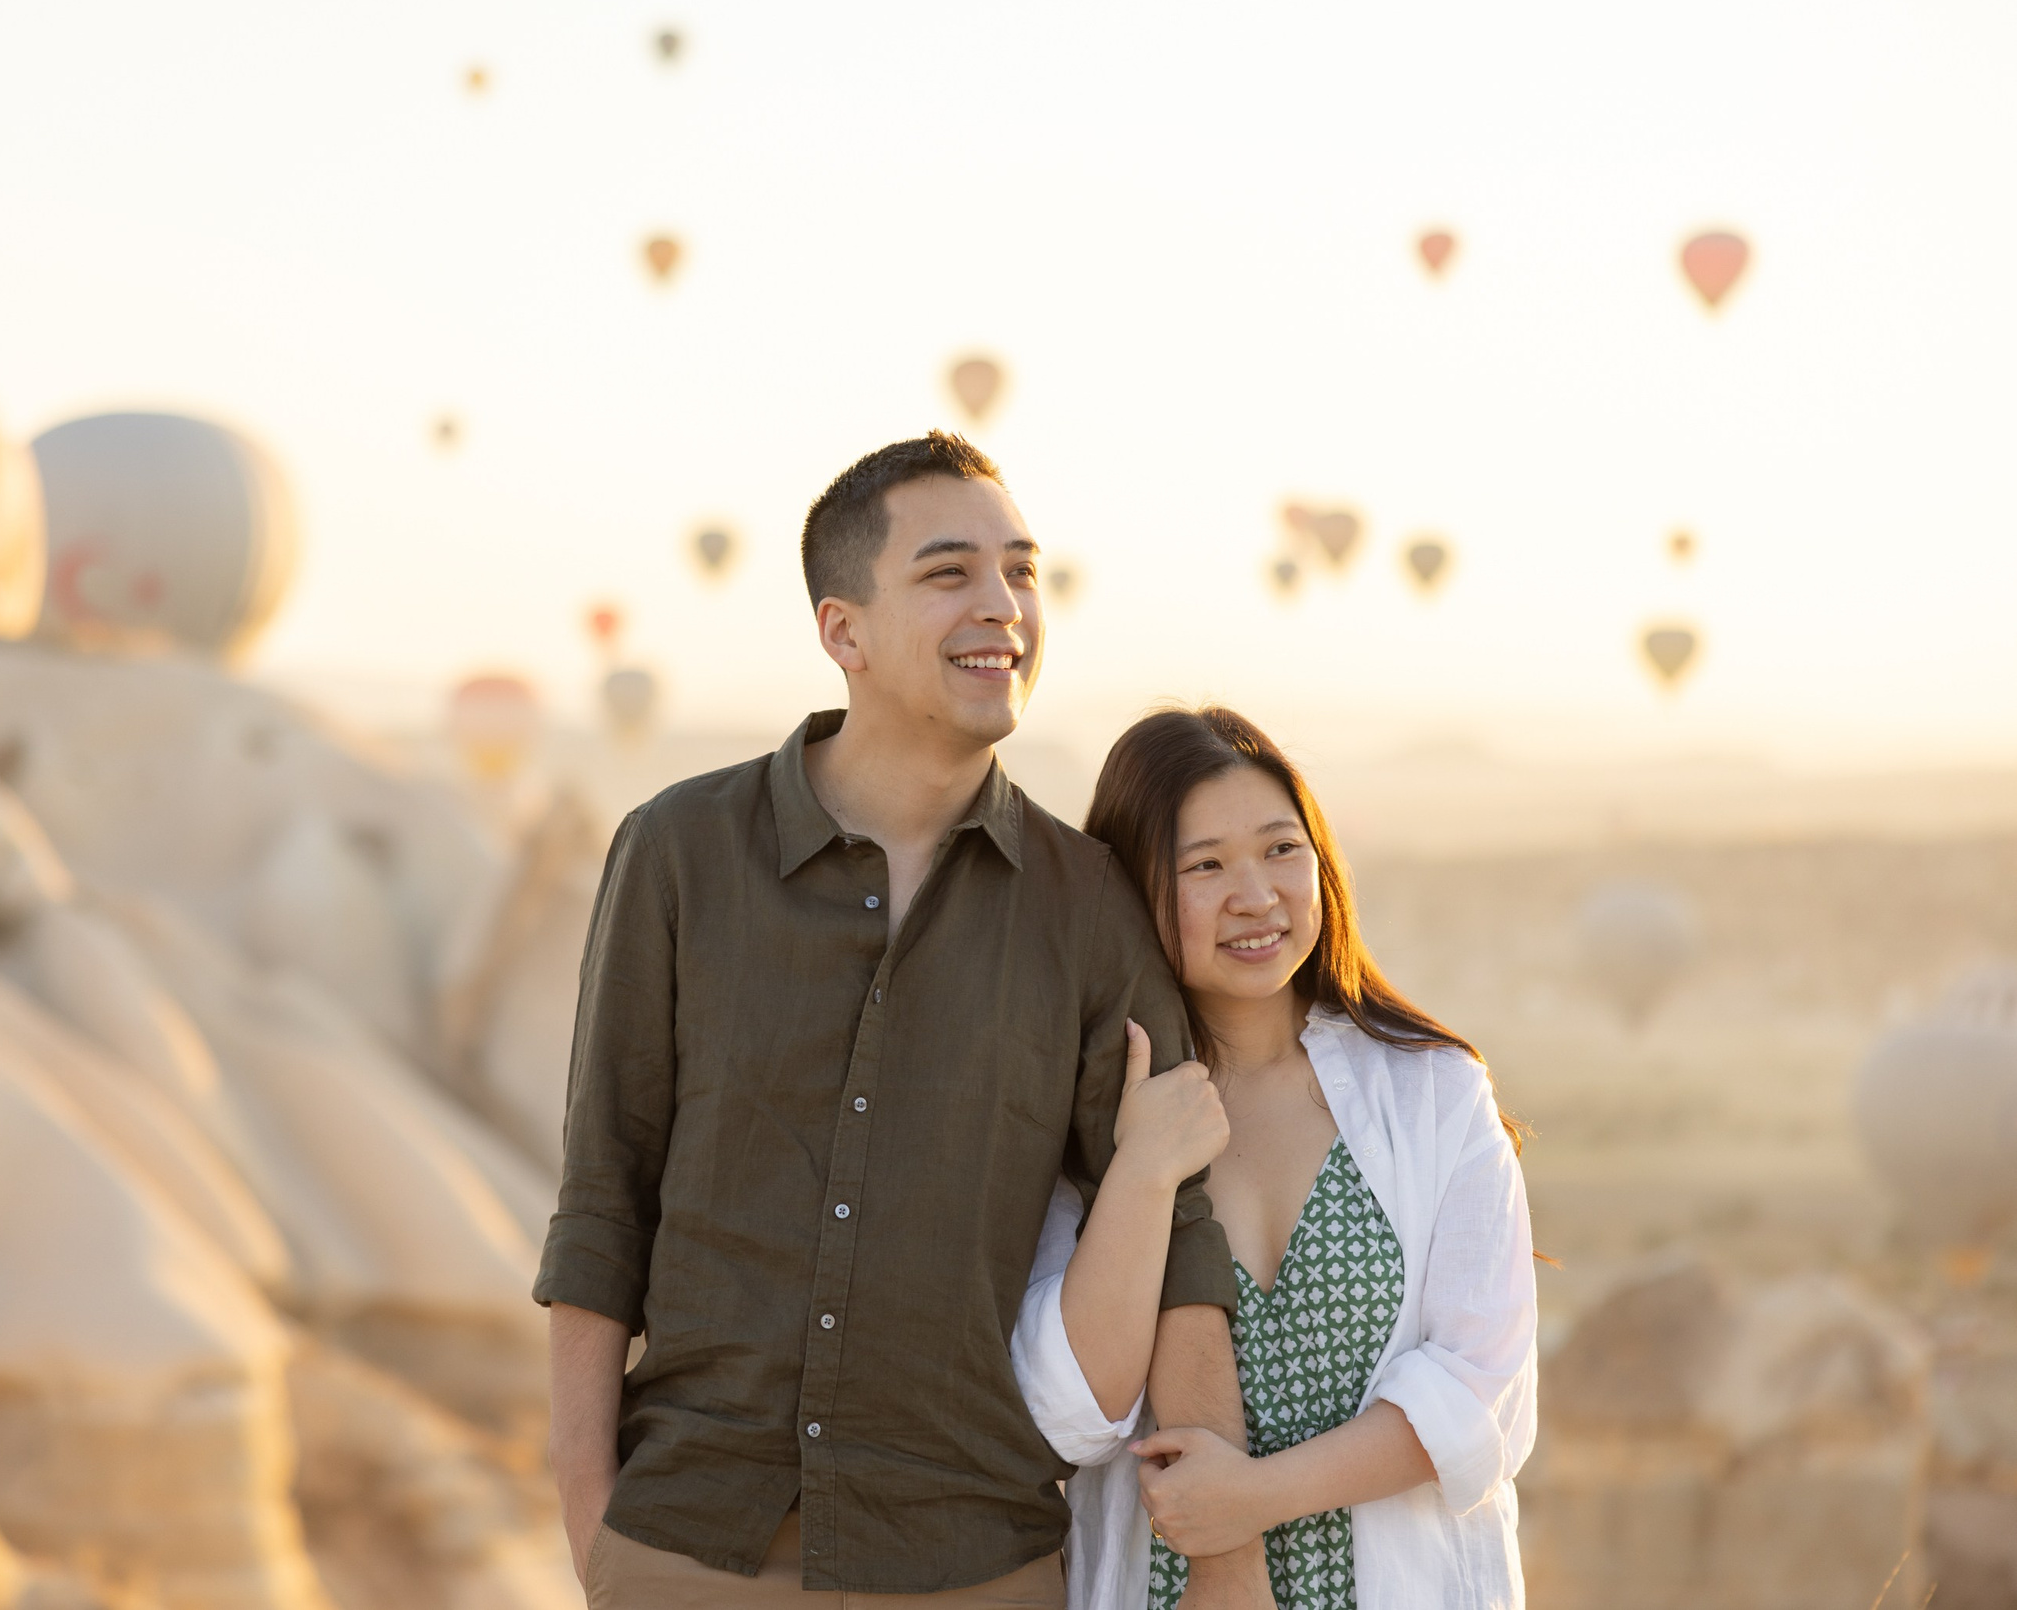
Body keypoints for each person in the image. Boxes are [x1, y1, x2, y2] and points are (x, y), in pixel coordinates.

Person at [537, 434, 1279, 1607]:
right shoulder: (678, 853)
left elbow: (1180, 1237)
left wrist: (1228, 1573)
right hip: (685, 1546)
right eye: (949, 574)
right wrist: (590, 1514)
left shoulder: (1089, 905)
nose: (1002, 606)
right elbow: (602, 1195)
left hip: (971, 1564)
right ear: (844, 632)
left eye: (1021, 572)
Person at [1010, 707, 1536, 1610]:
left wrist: (1251, 1500)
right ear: (1134, 893)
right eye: (1205, 864)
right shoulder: (1087, 1118)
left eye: (1281, 850)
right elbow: (1067, 1412)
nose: (1256, 895)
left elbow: (1477, 1396)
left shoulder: (1435, 1095)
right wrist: (1139, 1172)